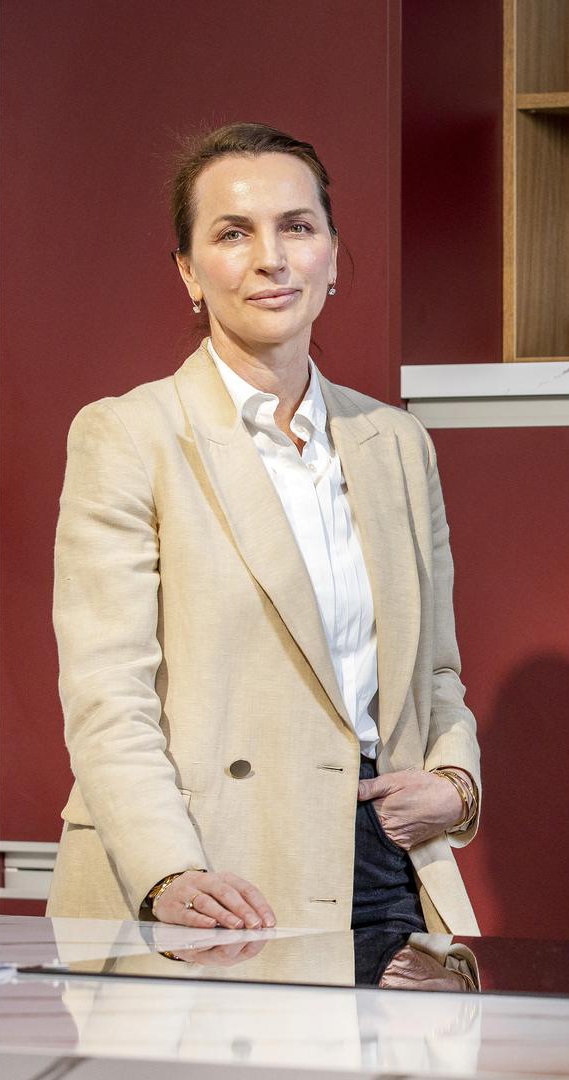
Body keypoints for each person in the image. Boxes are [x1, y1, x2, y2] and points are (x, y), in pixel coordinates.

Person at [44, 122, 480, 935]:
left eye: (297, 227)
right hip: (205, 871)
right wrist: (169, 871)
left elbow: (436, 670)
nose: (270, 258)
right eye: (233, 233)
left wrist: (454, 783)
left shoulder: (395, 442)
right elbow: (108, 695)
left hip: (385, 866)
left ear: (332, 256)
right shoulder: (129, 435)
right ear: (188, 270)